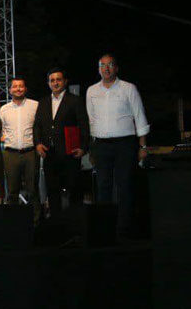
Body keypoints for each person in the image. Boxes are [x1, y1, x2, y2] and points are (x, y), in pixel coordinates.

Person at [85, 53, 150, 239]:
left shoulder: (129, 88)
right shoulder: (91, 91)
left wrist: (143, 146)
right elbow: (91, 120)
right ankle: (106, 230)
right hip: (101, 145)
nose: (106, 68)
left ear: (116, 68)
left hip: (124, 144)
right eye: (103, 65)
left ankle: (124, 229)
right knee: (102, 186)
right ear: (98, 69)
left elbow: (139, 116)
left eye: (110, 65)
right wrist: (92, 148)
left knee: (125, 186)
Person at [34, 68, 90, 218]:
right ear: (48, 83)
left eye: (58, 79)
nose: (55, 83)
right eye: (52, 80)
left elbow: (84, 125)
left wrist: (83, 147)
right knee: (52, 192)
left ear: (65, 81)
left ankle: (75, 223)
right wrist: (37, 143)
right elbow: (37, 125)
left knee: (74, 191)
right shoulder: (43, 102)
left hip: (70, 153)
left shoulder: (75, 100)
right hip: (49, 154)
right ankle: (56, 223)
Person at [0, 77, 40, 217]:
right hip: (10, 153)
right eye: (15, 86)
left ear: (25, 88)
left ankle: (35, 221)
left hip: (30, 152)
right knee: (12, 191)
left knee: (32, 189)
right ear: (10, 90)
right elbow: (1, 131)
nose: (18, 89)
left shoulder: (35, 105)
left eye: (21, 86)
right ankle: (13, 221)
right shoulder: (4, 109)